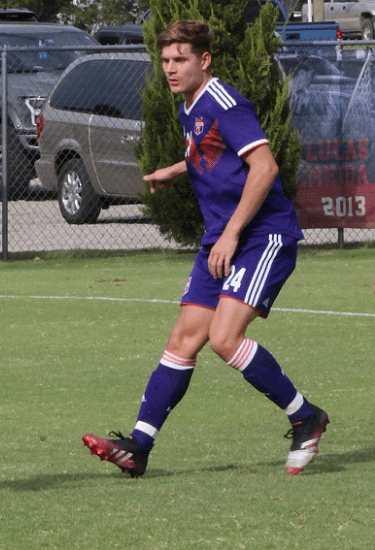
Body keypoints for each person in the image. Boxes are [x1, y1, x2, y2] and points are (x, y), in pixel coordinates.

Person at [81, 20, 328, 478]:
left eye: (181, 60)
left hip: (261, 236)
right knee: (183, 339)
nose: (171, 68)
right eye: (166, 60)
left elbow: (264, 166)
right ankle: (139, 446)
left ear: (204, 60)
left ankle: (306, 416)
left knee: (224, 339)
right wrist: (175, 170)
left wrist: (233, 232)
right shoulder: (190, 107)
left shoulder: (224, 101)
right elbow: (209, 152)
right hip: (223, 238)